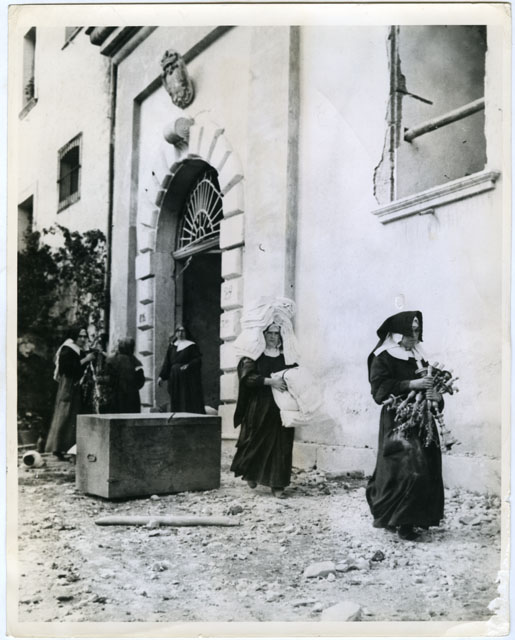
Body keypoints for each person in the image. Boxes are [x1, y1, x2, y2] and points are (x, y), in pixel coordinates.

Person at [366, 310, 444, 541]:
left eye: (417, 331)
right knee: (405, 468)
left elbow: (433, 387)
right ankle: (401, 522)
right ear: (397, 334)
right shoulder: (383, 357)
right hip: (397, 419)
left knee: (426, 467)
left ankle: (412, 519)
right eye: (410, 332)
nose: (415, 336)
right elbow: (379, 391)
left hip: (423, 418)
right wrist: (411, 384)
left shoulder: (420, 357)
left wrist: (437, 396)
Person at [230, 297, 301, 498]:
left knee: (281, 444)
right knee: (256, 441)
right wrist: (271, 381)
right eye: (270, 333)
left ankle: (278, 485)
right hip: (260, 406)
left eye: (276, 334)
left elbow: (296, 375)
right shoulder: (255, 355)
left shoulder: (286, 357)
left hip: (282, 407)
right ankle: (251, 473)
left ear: (281, 336)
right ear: (263, 334)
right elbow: (247, 378)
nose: (273, 337)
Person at [45, 326, 96, 459]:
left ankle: (67, 448)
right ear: (74, 336)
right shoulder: (67, 349)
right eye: (80, 336)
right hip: (68, 385)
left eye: (85, 336)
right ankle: (57, 448)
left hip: (75, 385)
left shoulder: (77, 349)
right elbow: (67, 368)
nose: (83, 339)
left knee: (72, 415)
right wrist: (86, 359)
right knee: (64, 413)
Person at [17, 335, 54, 452]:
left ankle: (41, 443)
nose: (28, 351)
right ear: (20, 346)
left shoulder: (39, 361)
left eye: (31, 350)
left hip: (38, 397)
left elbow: (48, 376)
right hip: (22, 396)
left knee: (40, 420)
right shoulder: (13, 360)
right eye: (25, 348)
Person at [157, 325, 205, 413]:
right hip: (174, 377)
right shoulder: (172, 346)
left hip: (186, 377)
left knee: (185, 397)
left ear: (186, 333)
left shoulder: (191, 345)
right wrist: (161, 376)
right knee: (175, 397)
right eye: (178, 331)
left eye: (183, 331)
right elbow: (167, 362)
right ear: (176, 333)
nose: (180, 333)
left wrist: (188, 365)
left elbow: (197, 360)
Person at [105, 337, 145, 413]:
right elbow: (140, 382)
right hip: (133, 398)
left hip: (116, 397)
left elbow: (109, 380)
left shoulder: (112, 360)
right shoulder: (136, 362)